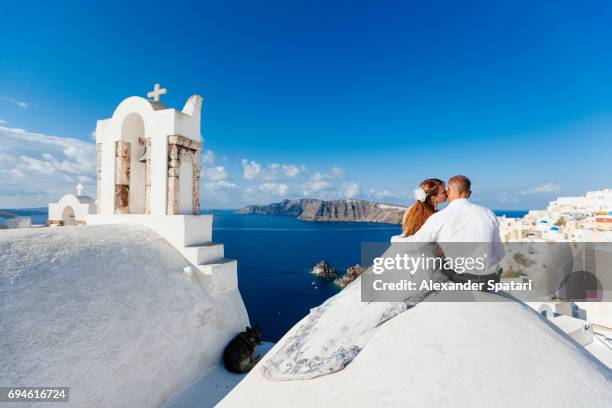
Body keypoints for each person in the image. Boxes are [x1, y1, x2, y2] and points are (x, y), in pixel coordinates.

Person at [392, 175, 505, 285]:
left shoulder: (439, 217)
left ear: (449, 190)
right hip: (491, 279)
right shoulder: (488, 213)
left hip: (463, 279)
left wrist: (395, 238)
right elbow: (500, 253)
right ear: (469, 193)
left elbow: (412, 244)